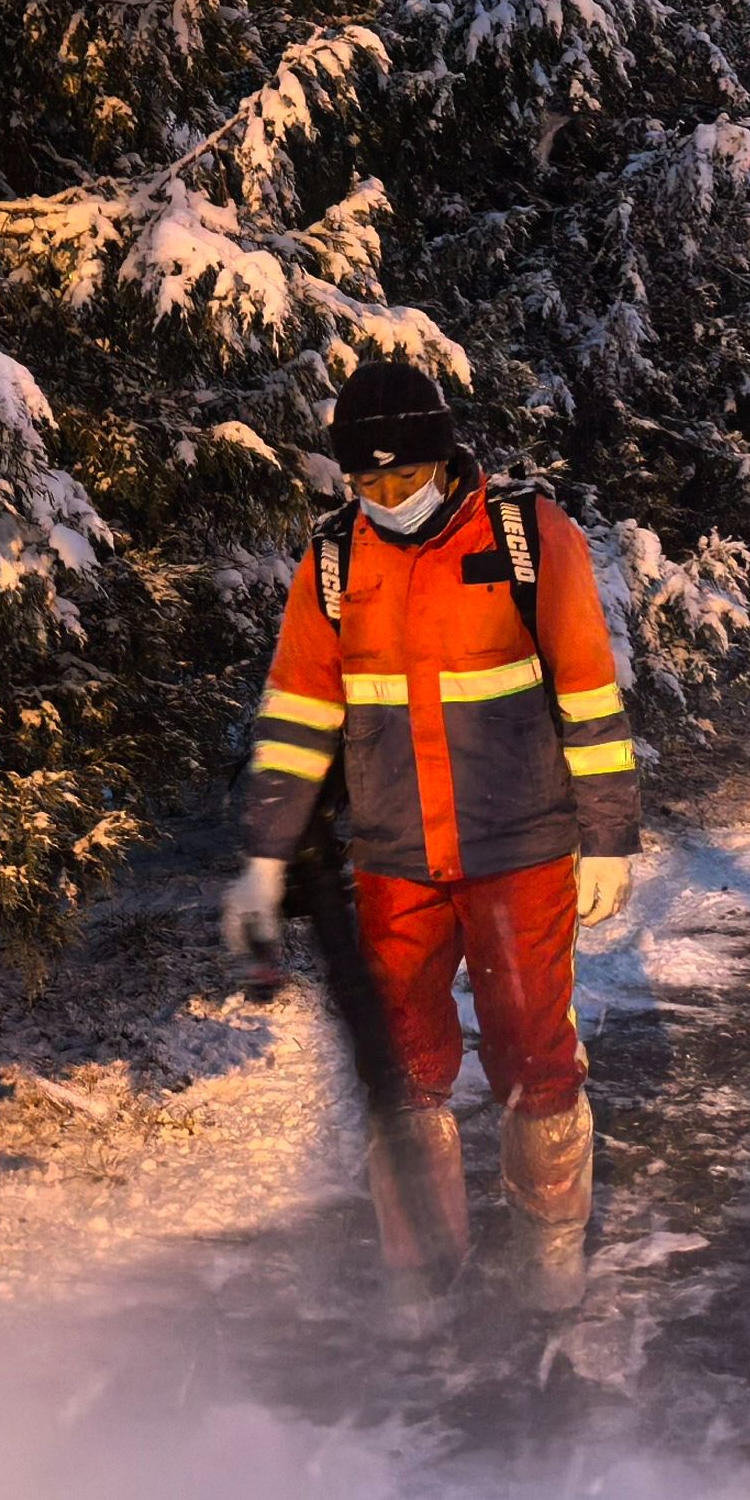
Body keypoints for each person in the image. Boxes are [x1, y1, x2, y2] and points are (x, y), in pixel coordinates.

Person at [221, 362, 641, 1311]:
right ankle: (422, 1268)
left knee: (534, 1058)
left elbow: (587, 690)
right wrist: (266, 852)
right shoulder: (336, 561)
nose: (385, 499)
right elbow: (298, 712)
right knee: (403, 1071)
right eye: (366, 483)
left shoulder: (529, 537)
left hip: (520, 850)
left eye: (403, 478)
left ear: (445, 460)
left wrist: (609, 834)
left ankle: (549, 1246)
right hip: (395, 858)